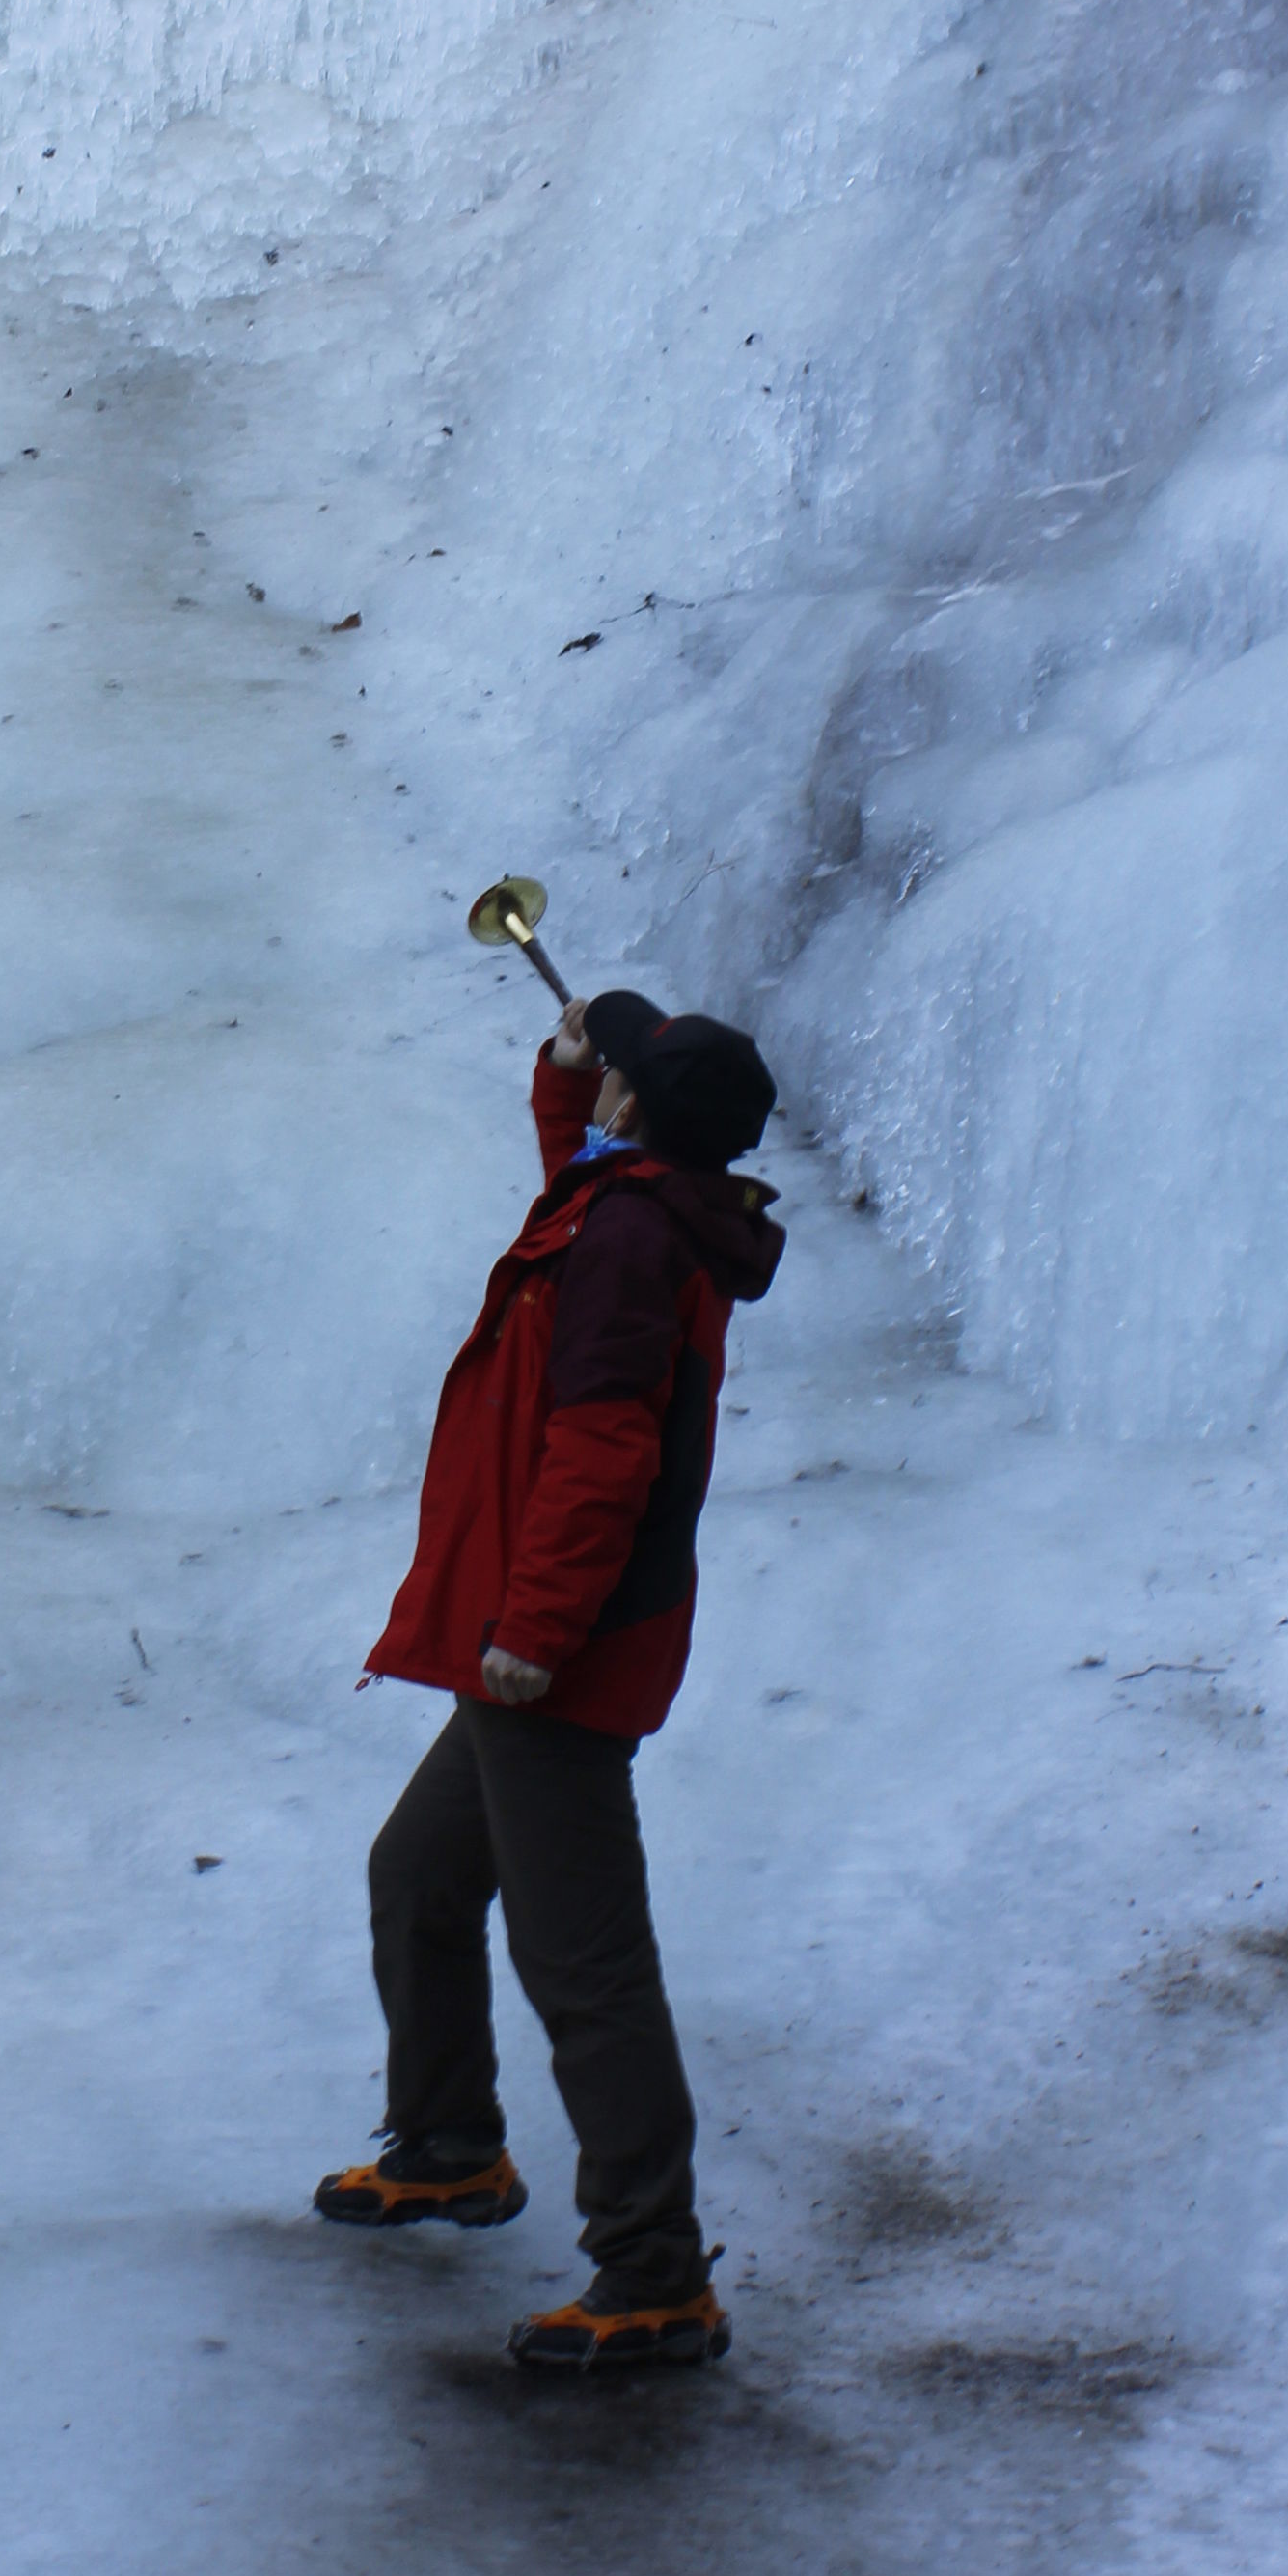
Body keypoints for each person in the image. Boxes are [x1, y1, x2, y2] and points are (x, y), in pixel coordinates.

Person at [317, 985, 784, 2371]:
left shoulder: (634, 1240)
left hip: (557, 1653)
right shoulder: (636, 1206)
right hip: (534, 1636)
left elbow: (601, 1452)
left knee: (586, 1967)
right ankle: (454, 2145)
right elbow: (574, 1179)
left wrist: (535, 1628)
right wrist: (566, 1073)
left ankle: (652, 2272)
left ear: (644, 1117)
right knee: (419, 1874)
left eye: (620, 1082)